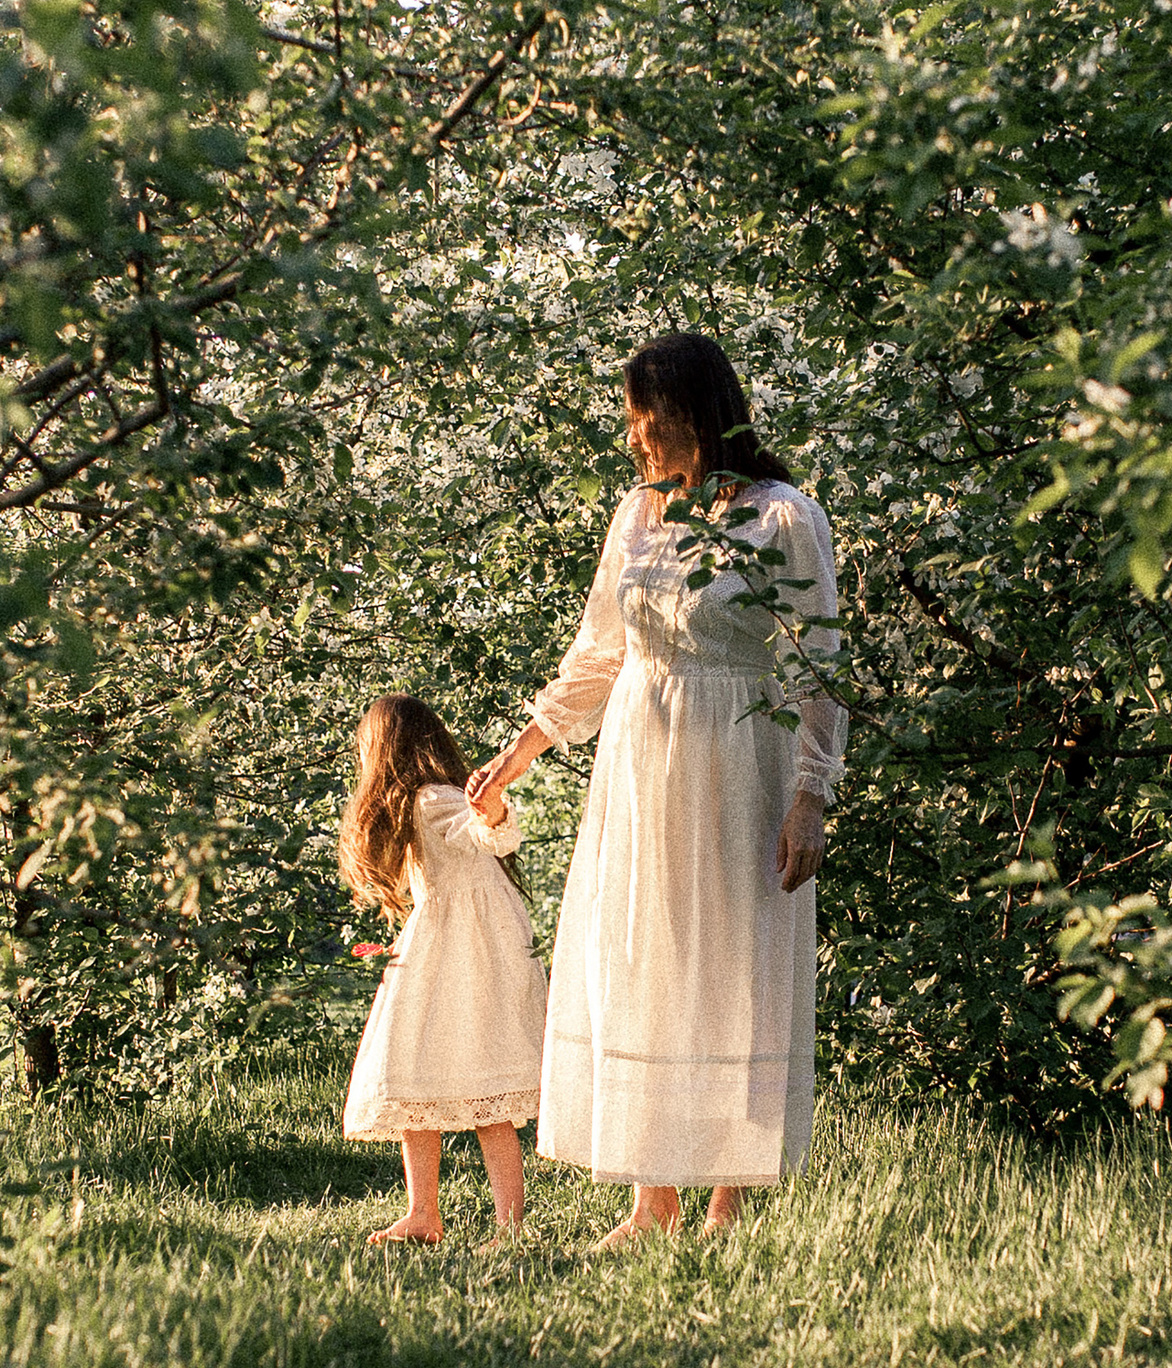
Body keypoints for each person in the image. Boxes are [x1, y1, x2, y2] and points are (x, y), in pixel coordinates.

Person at [468, 332, 846, 1249]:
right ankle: (652, 1200)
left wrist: (811, 794)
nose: (633, 434)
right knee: (641, 959)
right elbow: (600, 652)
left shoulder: (783, 517)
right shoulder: (638, 515)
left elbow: (818, 661)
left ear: (692, 413)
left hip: (741, 758)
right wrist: (522, 750)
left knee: (730, 965)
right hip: (640, 765)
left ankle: (725, 1201)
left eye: (646, 415)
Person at [339, 693, 547, 1246]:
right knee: (419, 1077)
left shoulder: (434, 798)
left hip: (465, 953)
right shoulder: (417, 803)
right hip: (455, 946)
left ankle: (500, 1225)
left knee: (480, 1083)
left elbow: (489, 833)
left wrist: (491, 807)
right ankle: (424, 1214)